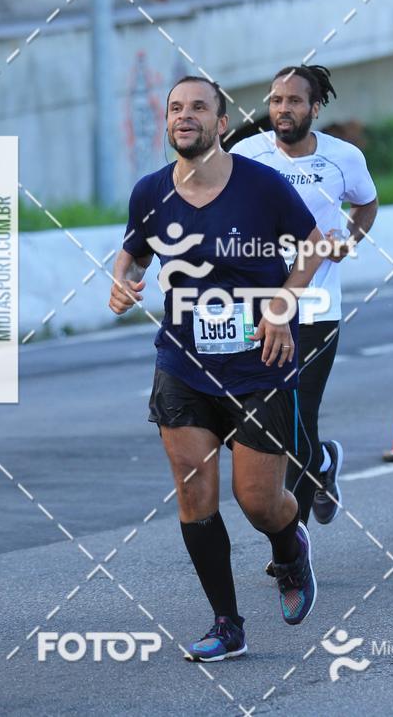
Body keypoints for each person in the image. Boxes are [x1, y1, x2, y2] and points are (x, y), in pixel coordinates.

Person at [109, 76, 327, 663]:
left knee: (258, 500)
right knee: (193, 492)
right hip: (182, 362)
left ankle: (289, 546)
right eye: (176, 108)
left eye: (198, 108)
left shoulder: (262, 185)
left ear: (222, 123)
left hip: (260, 361)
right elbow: (133, 248)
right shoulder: (151, 191)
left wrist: (283, 304)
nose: (184, 116)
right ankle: (227, 624)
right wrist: (122, 277)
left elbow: (311, 245)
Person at [231, 65, 377, 543]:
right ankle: (325, 461)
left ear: (315, 108)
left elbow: (367, 204)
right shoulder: (244, 154)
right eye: (275, 100)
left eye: (294, 101)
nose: (282, 110)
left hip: (315, 309)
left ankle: (289, 542)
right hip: (257, 309)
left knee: (296, 422)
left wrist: (347, 239)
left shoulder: (343, 159)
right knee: (264, 424)